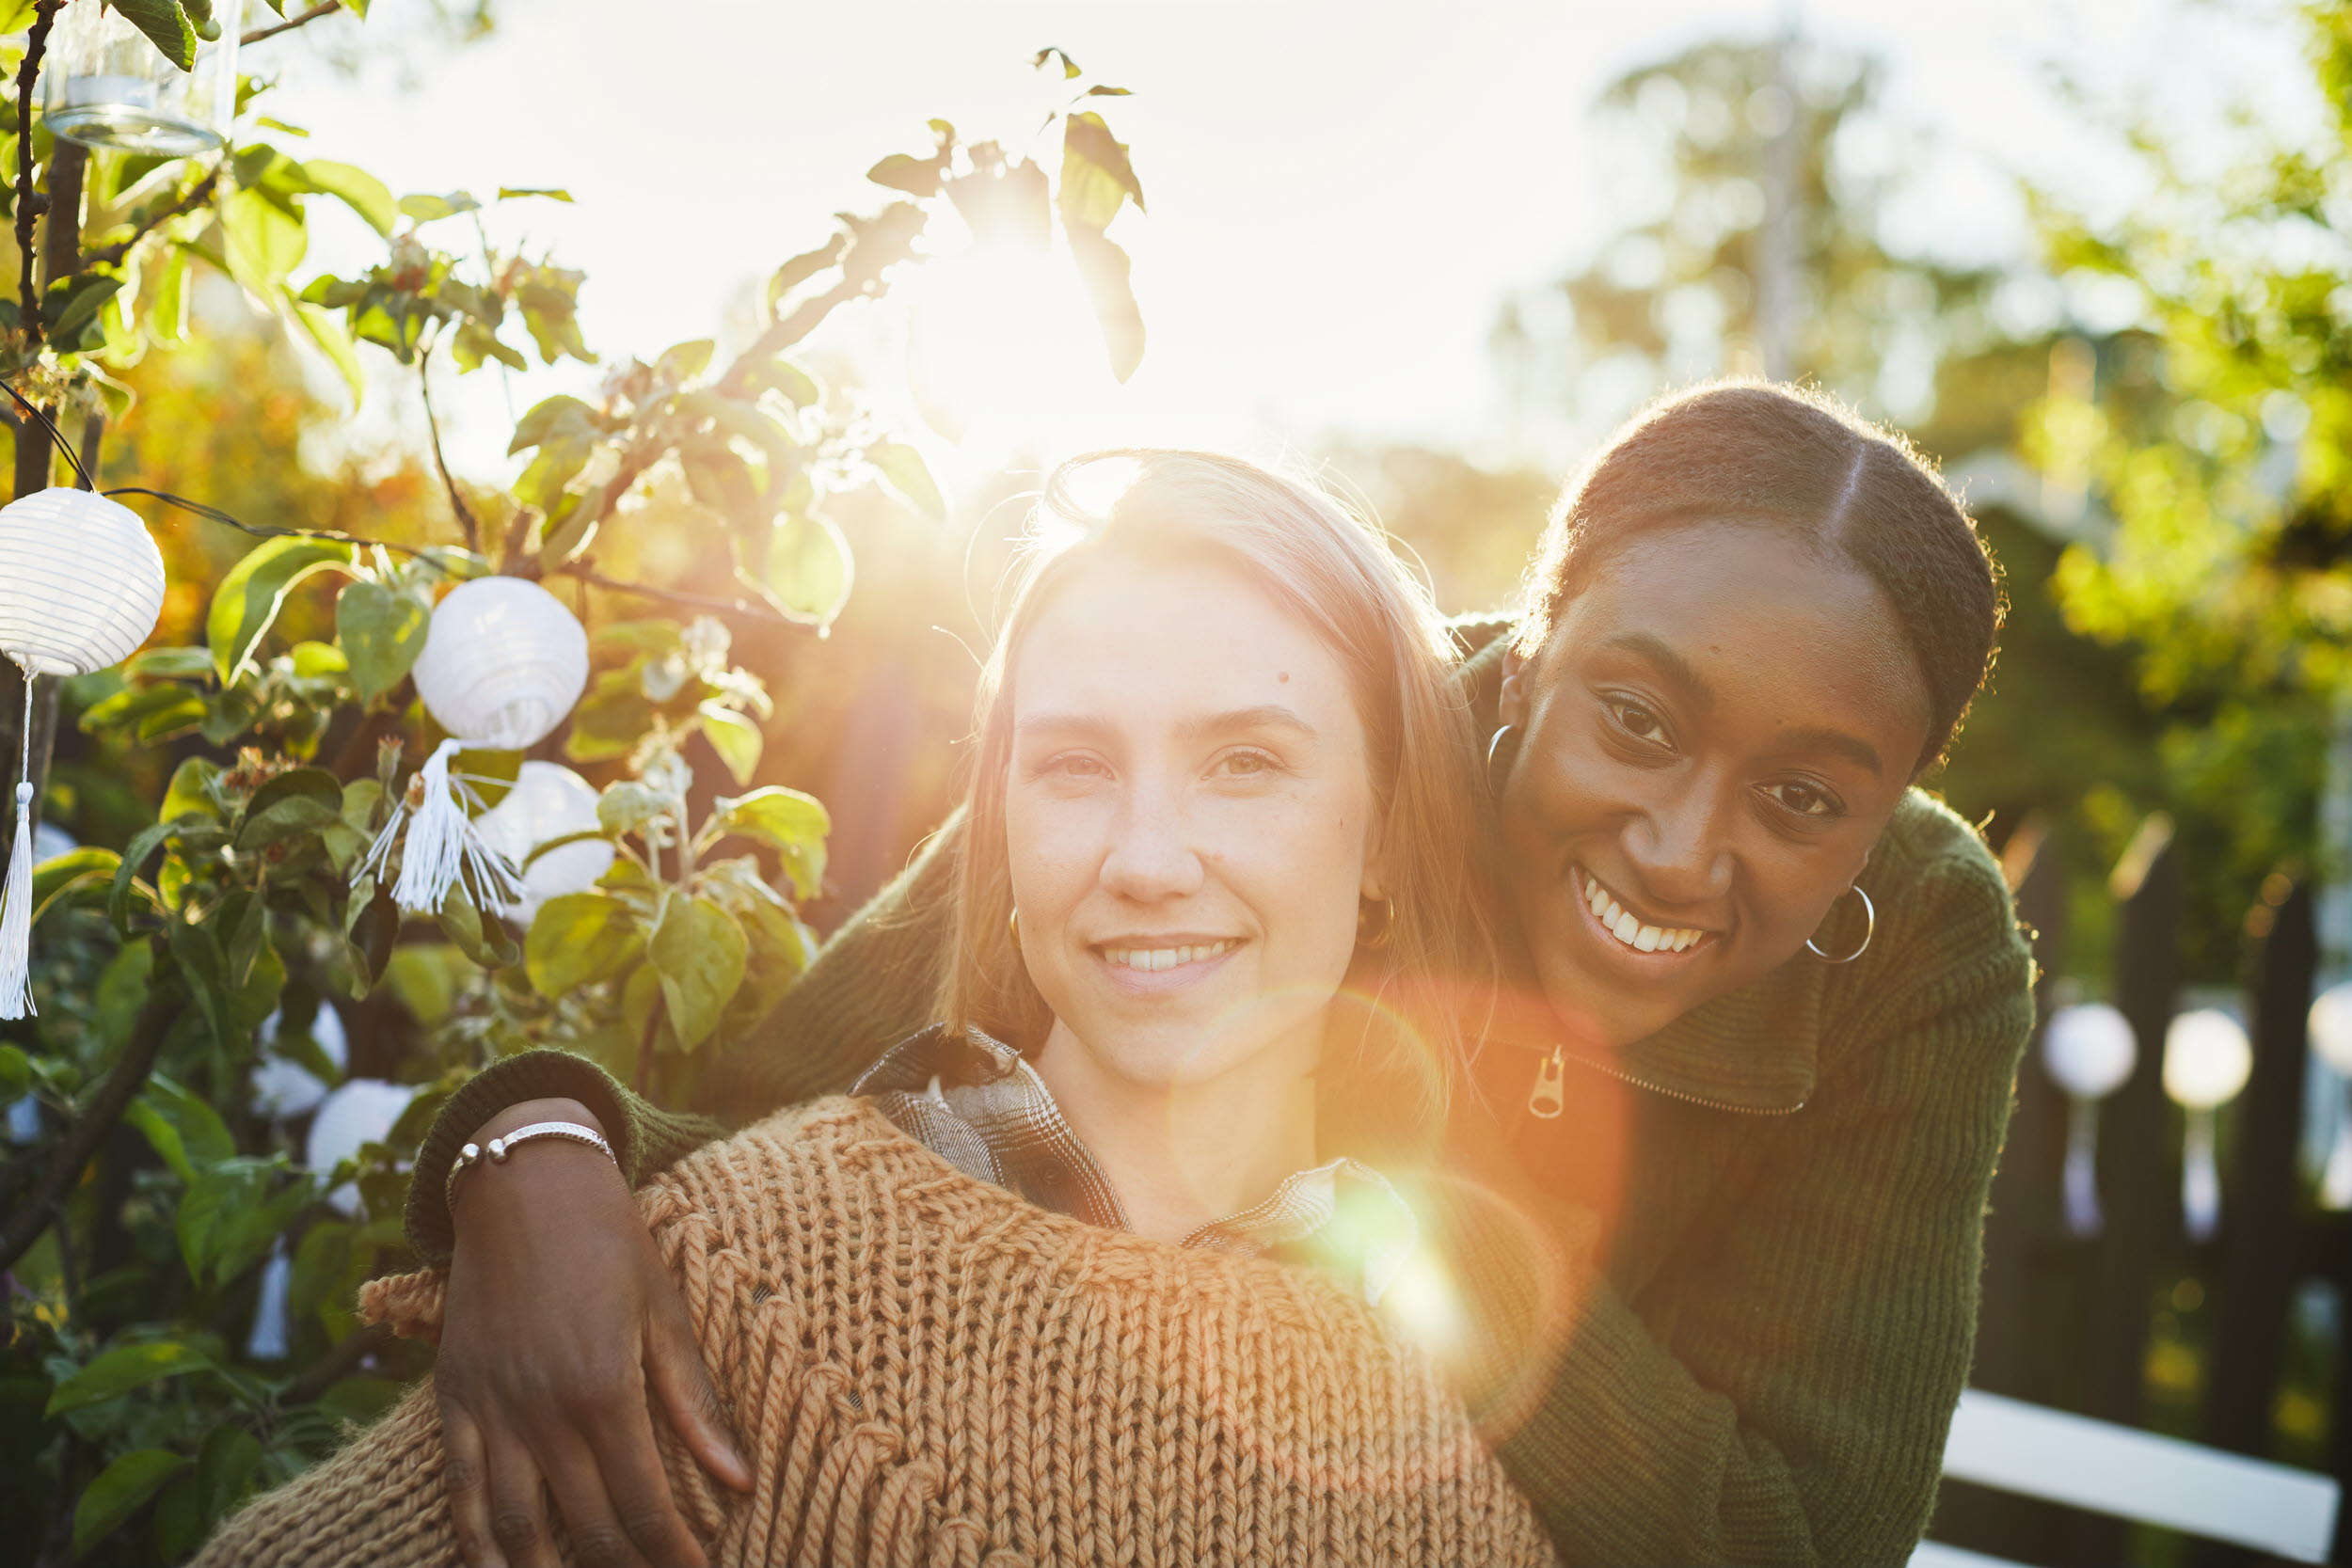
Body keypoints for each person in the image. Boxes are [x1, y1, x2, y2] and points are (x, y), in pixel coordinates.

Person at [403, 382, 2038, 1568]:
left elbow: (1802, 1542)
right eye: (1635, 718)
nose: (1683, 849)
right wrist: (530, 1147)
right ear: (1524, 661)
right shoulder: (1275, 733)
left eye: (1807, 799)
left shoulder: (1927, 956)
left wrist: (1428, 1236)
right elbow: (808, 1131)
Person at [193, 451, 1565, 1568]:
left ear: (1385, 838)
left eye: (1246, 764)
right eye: (1075, 765)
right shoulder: (737, 1280)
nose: (1147, 859)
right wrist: (530, 1136)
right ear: (1002, 826)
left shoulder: (1450, 1474)